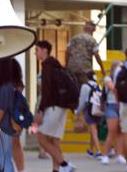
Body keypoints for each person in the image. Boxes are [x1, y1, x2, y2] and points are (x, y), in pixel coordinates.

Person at [34, 40, 75, 172]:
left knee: (41, 138)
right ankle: (56, 169)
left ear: (44, 50)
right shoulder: (56, 65)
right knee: (53, 140)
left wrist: (40, 111)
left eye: (37, 50)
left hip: (53, 107)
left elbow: (47, 90)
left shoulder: (47, 66)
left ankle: (64, 165)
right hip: (61, 106)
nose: (36, 53)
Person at [0, 58, 25, 172]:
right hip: (7, 125)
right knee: (4, 155)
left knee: (3, 156)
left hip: (3, 126)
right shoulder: (12, 86)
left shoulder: (5, 87)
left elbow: (2, 110)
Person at [65, 21, 105, 85]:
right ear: (93, 29)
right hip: (85, 70)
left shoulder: (74, 38)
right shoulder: (92, 40)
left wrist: (66, 65)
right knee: (87, 88)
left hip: (72, 69)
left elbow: (67, 52)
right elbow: (96, 55)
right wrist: (102, 68)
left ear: (84, 28)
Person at [75, 71, 103, 160]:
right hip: (97, 110)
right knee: (93, 130)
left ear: (87, 77)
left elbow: (82, 101)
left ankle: (99, 151)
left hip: (89, 109)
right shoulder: (98, 86)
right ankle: (91, 150)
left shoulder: (85, 86)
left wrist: (77, 111)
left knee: (93, 129)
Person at [100, 60, 122, 165]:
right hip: (111, 105)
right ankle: (105, 155)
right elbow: (113, 88)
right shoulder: (108, 78)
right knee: (112, 130)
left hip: (120, 105)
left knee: (119, 132)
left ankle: (119, 154)